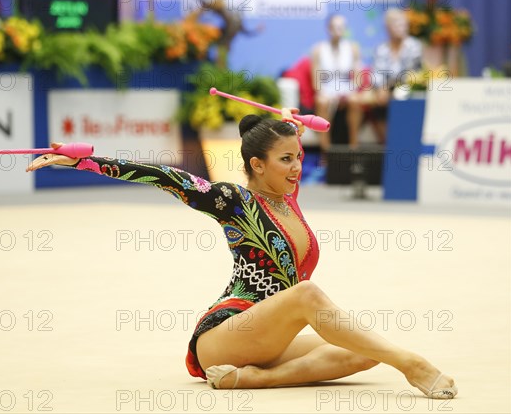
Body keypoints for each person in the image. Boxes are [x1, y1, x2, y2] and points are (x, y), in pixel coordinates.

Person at [26, 109, 457, 398]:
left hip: (267, 341)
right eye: (286, 159)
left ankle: (257, 379)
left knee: (365, 350)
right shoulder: (233, 199)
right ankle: (413, 365)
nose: (296, 168)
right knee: (309, 295)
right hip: (226, 333)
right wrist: (84, 162)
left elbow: (285, 147)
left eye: (299, 158)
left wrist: (288, 127)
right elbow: (166, 176)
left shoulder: (288, 197)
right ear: (255, 165)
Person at [349, 8, 423, 149]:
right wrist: (380, 88)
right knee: (361, 100)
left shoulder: (414, 46)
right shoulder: (381, 48)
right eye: (397, 25)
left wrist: (388, 87)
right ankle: (356, 148)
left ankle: (398, 145)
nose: (401, 28)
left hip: (406, 90)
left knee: (396, 97)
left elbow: (412, 74)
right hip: (382, 91)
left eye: (403, 25)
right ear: (388, 28)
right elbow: (376, 73)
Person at [311, 14, 362, 154]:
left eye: (341, 27)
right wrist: (327, 94)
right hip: (327, 90)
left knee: (355, 99)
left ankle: (354, 147)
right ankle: (326, 151)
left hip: (347, 88)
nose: (338, 30)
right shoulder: (318, 49)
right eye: (335, 27)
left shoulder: (353, 48)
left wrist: (349, 92)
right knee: (322, 101)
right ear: (328, 28)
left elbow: (357, 78)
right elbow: (316, 81)